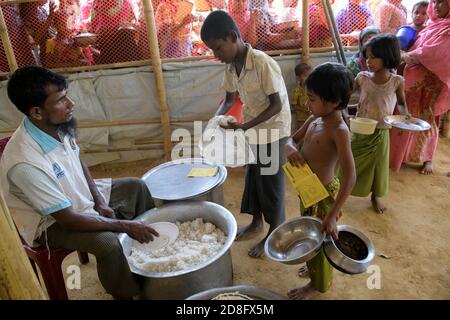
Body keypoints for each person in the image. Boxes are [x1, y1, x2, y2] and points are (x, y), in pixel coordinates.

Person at [0, 66, 159, 300]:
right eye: (61, 99)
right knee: (107, 243)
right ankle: (127, 293)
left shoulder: (56, 125)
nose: (71, 104)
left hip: (74, 196)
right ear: (37, 112)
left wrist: (99, 201)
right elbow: (68, 218)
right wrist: (125, 226)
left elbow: (77, 159)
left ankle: (144, 257)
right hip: (49, 221)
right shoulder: (25, 164)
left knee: (136, 187)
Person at [200, 10, 291, 258]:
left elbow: (276, 105)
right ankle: (256, 223)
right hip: (252, 128)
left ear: (232, 36)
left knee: (270, 181)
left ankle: (275, 231)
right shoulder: (231, 67)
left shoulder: (262, 63)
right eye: (212, 50)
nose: (216, 56)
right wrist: (215, 121)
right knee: (254, 177)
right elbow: (229, 98)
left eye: (218, 48)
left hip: (273, 130)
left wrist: (243, 128)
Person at [285, 62, 356, 300]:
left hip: (325, 195)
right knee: (312, 234)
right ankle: (315, 267)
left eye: (312, 99)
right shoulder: (315, 120)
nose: (307, 103)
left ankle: (317, 285)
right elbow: (291, 140)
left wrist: (333, 214)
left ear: (333, 102)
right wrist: (291, 149)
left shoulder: (339, 131)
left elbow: (350, 176)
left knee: (323, 239)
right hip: (308, 190)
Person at [348, 34, 409, 214]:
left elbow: (402, 103)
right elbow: (345, 95)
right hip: (360, 128)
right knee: (351, 162)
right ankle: (342, 189)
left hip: (381, 130)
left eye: (374, 57)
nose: (369, 61)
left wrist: (406, 115)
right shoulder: (362, 78)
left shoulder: (397, 81)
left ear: (388, 56)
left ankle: (375, 196)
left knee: (378, 167)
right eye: (367, 57)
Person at [390, 0, 450, 175]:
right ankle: (399, 155)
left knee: (427, 118)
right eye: (435, 2)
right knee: (405, 113)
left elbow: (433, 53)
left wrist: (404, 56)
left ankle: (427, 158)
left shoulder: (447, 28)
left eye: (442, 2)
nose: (437, 6)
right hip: (413, 81)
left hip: (431, 85)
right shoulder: (434, 24)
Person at [290, 63, 312, 133]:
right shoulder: (296, 91)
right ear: (298, 78)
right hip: (301, 119)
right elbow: (293, 106)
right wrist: (303, 109)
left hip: (312, 117)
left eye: (309, 75)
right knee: (301, 136)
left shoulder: (313, 89)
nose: (308, 78)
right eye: (305, 75)